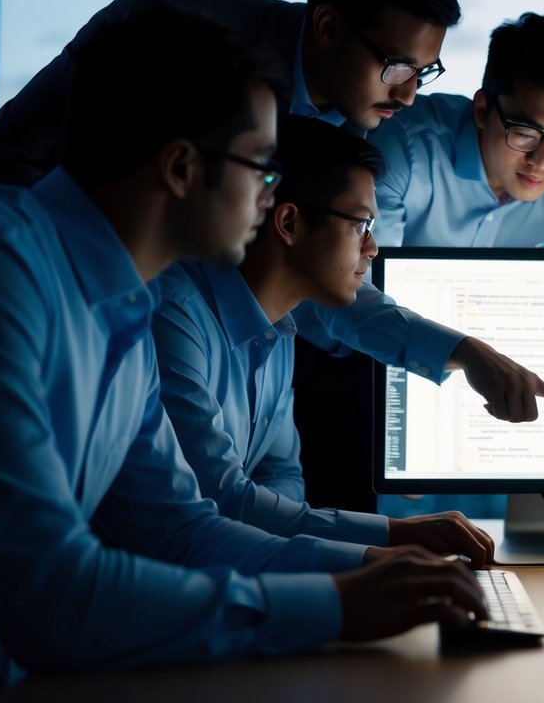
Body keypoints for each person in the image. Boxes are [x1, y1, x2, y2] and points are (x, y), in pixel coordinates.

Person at [0, 13, 485, 694]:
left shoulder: (125, 305)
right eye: (264, 170)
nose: (271, 200)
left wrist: (367, 569)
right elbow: (49, 592)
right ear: (182, 167)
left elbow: (177, 527)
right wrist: (335, 604)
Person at [0, 0, 544, 460]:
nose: (411, 94)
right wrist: (11, 279)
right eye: (399, 68)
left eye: (425, 73)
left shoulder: (361, 123)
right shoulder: (167, 33)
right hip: (58, 299)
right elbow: (10, 161)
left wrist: (460, 351)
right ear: (328, 27)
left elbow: (323, 275)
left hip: (192, 343)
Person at [154, 115, 493, 563]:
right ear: (290, 223)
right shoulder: (175, 315)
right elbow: (221, 500)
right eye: (362, 226)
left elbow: (283, 476)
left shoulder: (280, 328)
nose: (372, 249)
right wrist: (388, 539)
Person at [369, 12, 544, 249]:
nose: (542, 162)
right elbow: (368, 275)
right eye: (525, 134)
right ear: (482, 110)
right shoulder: (406, 147)